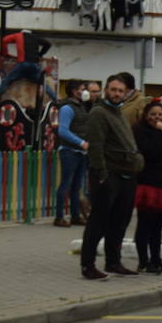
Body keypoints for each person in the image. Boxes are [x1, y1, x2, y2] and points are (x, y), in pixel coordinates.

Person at [80, 74, 144, 280]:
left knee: (120, 221)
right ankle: (88, 265)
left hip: (126, 174)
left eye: (120, 91)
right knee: (99, 221)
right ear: (106, 90)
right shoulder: (99, 112)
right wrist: (101, 174)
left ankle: (113, 261)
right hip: (109, 174)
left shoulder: (118, 112)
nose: (117, 94)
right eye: (113, 89)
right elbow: (96, 146)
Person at [132, 100, 162, 275]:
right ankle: (144, 261)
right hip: (149, 183)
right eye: (153, 114)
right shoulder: (140, 131)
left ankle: (157, 259)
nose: (157, 118)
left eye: (160, 114)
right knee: (145, 224)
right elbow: (151, 152)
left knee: (159, 226)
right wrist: (160, 134)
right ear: (146, 116)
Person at [55, 79, 96, 227]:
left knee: (76, 186)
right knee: (65, 184)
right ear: (74, 91)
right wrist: (81, 142)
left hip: (80, 152)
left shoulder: (82, 106)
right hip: (69, 151)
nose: (85, 91)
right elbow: (63, 131)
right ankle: (59, 217)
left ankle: (75, 216)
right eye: (82, 88)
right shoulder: (67, 108)